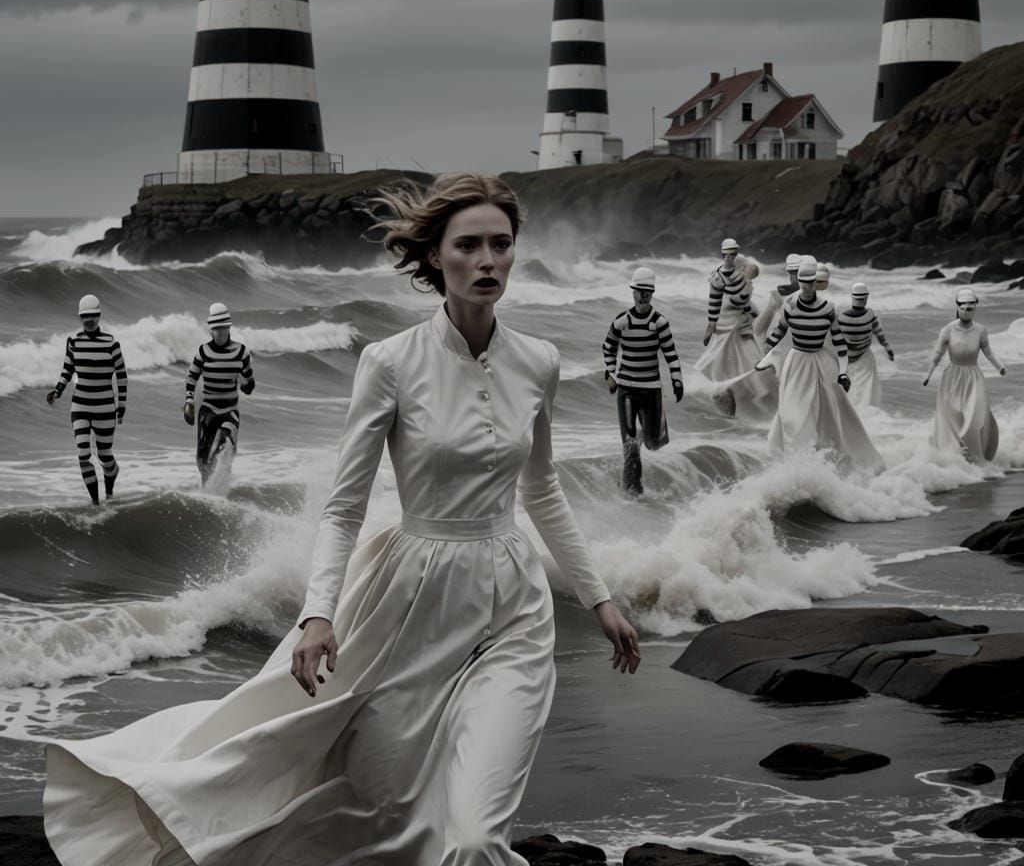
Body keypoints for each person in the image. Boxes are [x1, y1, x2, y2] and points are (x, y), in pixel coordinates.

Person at [45, 173, 641, 866]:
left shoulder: (539, 361)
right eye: (468, 245)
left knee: (477, 834)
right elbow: (346, 505)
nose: (487, 260)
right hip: (411, 607)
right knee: (383, 814)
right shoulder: (390, 362)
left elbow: (541, 489)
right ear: (435, 256)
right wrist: (318, 615)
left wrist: (599, 599)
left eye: (500, 245)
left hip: (515, 611)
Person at [756, 257, 884, 474]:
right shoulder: (790, 306)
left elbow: (839, 342)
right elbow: (778, 333)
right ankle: (795, 466)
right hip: (796, 363)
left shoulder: (827, 308)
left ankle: (826, 465)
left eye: (810, 282)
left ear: (816, 282)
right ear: (799, 281)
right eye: (803, 282)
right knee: (792, 415)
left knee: (827, 415)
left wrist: (843, 373)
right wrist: (765, 355)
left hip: (822, 364)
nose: (806, 286)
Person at [602, 266, 684, 494]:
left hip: (651, 389)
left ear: (652, 293)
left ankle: (647, 435)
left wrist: (677, 380)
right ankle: (632, 492)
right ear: (633, 292)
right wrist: (611, 373)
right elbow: (608, 348)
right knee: (629, 445)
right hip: (627, 389)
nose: (644, 295)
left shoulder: (659, 323)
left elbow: (670, 353)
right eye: (640, 291)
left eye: (648, 291)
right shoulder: (622, 321)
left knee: (653, 443)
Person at [45, 294, 127, 505]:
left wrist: (121, 406)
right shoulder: (73, 342)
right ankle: (96, 505)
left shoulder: (112, 344)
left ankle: (109, 492)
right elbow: (67, 370)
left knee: (105, 456)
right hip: (80, 406)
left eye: (92, 315)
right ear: (80, 317)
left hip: (105, 407)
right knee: (83, 455)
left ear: (99, 316)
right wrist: (58, 391)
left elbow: (121, 375)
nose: (88, 320)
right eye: (84, 316)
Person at [924, 287, 1006, 463]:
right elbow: (937, 354)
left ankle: (977, 455)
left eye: (971, 308)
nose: (967, 311)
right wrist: (929, 374)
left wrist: (999, 367)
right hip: (952, 377)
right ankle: (958, 454)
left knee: (977, 413)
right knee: (954, 416)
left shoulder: (980, 330)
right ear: (958, 307)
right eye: (964, 308)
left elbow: (988, 352)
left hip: (974, 376)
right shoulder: (948, 330)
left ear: (975, 308)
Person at [694, 254, 776, 419]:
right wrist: (769, 307)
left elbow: (749, 311)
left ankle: (735, 409)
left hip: (738, 336)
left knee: (744, 370)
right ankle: (733, 407)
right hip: (735, 336)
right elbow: (741, 306)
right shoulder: (732, 291)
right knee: (748, 370)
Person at [183, 302, 255, 485]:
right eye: (217, 330)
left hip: (230, 411)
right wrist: (189, 402)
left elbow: (249, 386)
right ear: (211, 331)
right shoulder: (203, 351)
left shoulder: (242, 352)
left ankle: (222, 484)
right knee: (202, 459)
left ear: (229, 329)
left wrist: (245, 383)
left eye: (224, 329)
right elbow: (191, 378)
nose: (221, 333)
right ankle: (207, 490)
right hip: (208, 411)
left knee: (222, 445)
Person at [838, 282, 894, 408]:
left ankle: (848, 411)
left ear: (852, 297)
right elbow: (879, 333)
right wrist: (888, 349)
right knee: (866, 390)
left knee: (849, 389)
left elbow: (834, 339)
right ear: (867, 297)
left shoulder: (840, 318)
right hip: (865, 358)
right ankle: (867, 412)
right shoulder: (870, 314)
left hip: (846, 359)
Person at [753, 251, 801, 344]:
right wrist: (771, 307)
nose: (799, 277)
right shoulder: (778, 296)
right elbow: (757, 330)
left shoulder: (818, 299)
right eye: (794, 273)